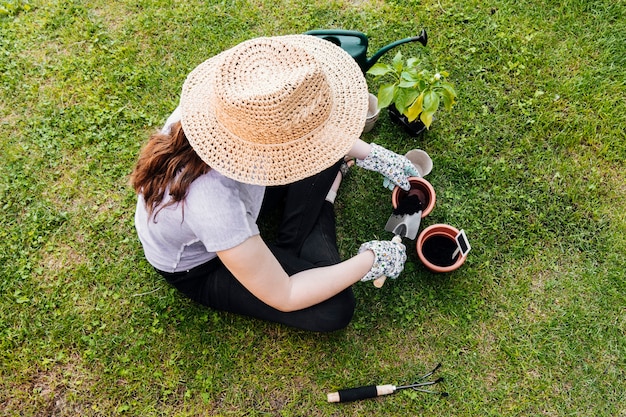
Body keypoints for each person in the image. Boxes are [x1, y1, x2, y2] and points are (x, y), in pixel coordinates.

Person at [131, 35, 420, 332]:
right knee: (335, 308)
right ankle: (313, 216)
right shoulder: (213, 203)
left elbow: (314, 134)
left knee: (324, 154)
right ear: (268, 146)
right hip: (204, 264)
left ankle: (292, 240)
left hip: (243, 199)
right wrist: (371, 260)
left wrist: (377, 157)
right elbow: (286, 294)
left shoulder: (227, 107)